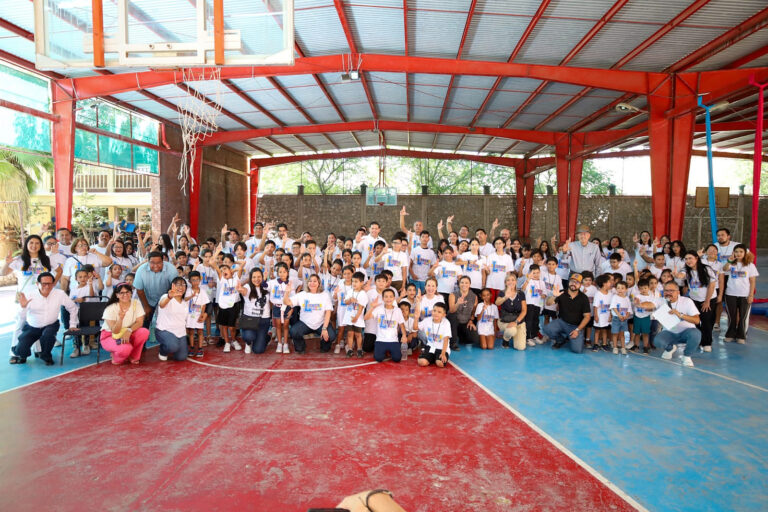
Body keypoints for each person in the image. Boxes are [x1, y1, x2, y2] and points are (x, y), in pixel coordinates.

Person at [11, 272, 79, 365]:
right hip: (32, 326)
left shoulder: (60, 294)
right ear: (37, 284)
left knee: (48, 335)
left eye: (50, 283)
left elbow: (72, 308)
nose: (47, 287)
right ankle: (23, 354)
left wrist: (72, 324)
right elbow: (20, 317)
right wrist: (23, 307)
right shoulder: (29, 295)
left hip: (51, 324)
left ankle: (46, 355)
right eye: (44, 284)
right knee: (21, 349)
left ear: (53, 283)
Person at [637, 282, 700, 367]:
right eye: (666, 290)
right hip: (670, 332)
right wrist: (640, 305)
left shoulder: (687, 301)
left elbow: (696, 320)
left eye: (671, 291)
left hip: (687, 332)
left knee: (696, 334)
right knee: (657, 341)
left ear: (678, 292)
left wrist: (680, 314)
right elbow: (650, 304)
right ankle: (670, 349)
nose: (668, 293)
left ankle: (687, 356)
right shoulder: (661, 300)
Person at [99, 282, 149, 365]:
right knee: (125, 349)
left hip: (128, 332)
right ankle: (117, 357)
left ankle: (133, 356)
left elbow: (140, 322)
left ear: (131, 293)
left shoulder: (136, 303)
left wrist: (129, 330)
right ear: (117, 295)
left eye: (127, 292)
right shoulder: (111, 308)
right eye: (121, 293)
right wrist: (120, 319)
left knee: (144, 332)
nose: (125, 295)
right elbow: (115, 331)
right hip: (111, 335)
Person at [285, 274, 336, 353]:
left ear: (319, 283)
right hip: (305, 323)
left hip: (321, 324)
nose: (312, 283)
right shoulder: (302, 294)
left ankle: (324, 346)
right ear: (307, 283)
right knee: (294, 331)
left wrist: (324, 328)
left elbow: (328, 312)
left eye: (315, 281)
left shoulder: (325, 295)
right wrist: (286, 293)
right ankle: (301, 347)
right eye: (310, 281)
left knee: (331, 336)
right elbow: (287, 302)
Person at [541, 273, 591, 354]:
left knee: (577, 350)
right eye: (572, 281)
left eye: (577, 282)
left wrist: (577, 330)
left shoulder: (584, 298)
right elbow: (548, 303)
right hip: (562, 322)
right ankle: (560, 340)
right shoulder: (562, 293)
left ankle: (571, 337)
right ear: (569, 282)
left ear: (580, 285)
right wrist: (554, 295)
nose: (573, 284)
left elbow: (587, 316)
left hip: (575, 326)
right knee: (547, 328)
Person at [720, 244, 758, 344]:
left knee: (743, 316)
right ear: (733, 253)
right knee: (731, 316)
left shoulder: (750, 265)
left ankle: (741, 335)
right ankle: (730, 334)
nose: (738, 254)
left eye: (741, 252)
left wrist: (751, 295)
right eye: (736, 252)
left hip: (744, 294)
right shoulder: (731, 264)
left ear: (745, 253)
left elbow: (752, 281)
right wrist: (729, 260)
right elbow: (724, 269)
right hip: (730, 293)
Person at [682, 251, 717, 351]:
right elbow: (681, 275)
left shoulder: (706, 269)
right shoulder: (687, 270)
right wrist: (677, 274)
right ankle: (697, 340)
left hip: (708, 299)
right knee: (695, 321)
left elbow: (712, 285)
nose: (688, 261)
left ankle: (707, 343)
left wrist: (707, 301)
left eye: (690, 258)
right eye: (686, 259)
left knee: (706, 321)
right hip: (694, 299)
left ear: (696, 258)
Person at [133, 251, 178, 328]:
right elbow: (139, 290)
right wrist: (146, 306)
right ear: (148, 261)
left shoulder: (171, 270)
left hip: (166, 300)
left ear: (163, 261)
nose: (156, 266)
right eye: (152, 263)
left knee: (165, 324)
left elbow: (174, 288)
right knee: (144, 322)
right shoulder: (141, 270)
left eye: (159, 263)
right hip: (148, 299)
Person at [364, 288, 408, 362]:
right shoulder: (379, 309)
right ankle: (384, 351)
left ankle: (390, 351)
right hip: (380, 340)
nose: (388, 299)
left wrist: (404, 335)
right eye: (386, 297)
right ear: (383, 298)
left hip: (393, 340)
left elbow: (401, 324)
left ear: (394, 298)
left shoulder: (398, 310)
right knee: (378, 358)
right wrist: (372, 307)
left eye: (391, 297)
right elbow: (366, 317)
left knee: (397, 359)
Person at [154, 277, 191, 361]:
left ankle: (172, 345)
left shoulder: (185, 303)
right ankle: (163, 350)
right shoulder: (166, 297)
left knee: (181, 357)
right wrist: (169, 297)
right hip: (164, 330)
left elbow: (184, 320)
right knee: (172, 346)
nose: (181, 287)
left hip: (180, 333)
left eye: (183, 285)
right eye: (178, 285)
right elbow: (162, 305)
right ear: (172, 286)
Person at [237, 268, 272, 354]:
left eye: (259, 277)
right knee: (249, 336)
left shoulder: (267, 286)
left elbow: (271, 302)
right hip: (249, 319)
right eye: (254, 277)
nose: (256, 279)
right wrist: (240, 289)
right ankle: (248, 343)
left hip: (264, 319)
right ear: (250, 278)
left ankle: (265, 337)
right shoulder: (247, 287)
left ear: (262, 277)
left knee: (258, 350)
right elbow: (244, 291)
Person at [413, 299, 451, 368]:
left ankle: (435, 358)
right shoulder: (427, 320)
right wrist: (416, 318)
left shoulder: (446, 323)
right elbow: (415, 327)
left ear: (444, 315)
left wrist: (443, 353)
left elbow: (446, 339)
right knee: (421, 362)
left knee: (440, 364)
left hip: (441, 349)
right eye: (434, 311)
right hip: (430, 347)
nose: (436, 313)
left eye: (439, 312)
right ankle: (432, 357)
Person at [495, 273, 527, 350]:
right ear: (505, 283)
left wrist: (516, 322)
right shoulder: (502, 292)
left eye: (513, 280)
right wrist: (506, 297)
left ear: (516, 282)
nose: (510, 282)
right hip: (505, 321)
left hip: (518, 321)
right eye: (508, 280)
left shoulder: (521, 293)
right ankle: (506, 339)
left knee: (520, 347)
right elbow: (497, 302)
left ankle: (514, 335)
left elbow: (524, 310)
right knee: (511, 330)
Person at [448, 276, 479, 349]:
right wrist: (458, 303)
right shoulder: (453, 295)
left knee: (474, 339)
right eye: (462, 282)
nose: (464, 284)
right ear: (459, 284)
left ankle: (461, 336)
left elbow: (474, 311)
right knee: (453, 316)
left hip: (465, 321)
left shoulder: (474, 296)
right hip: (454, 321)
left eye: (466, 283)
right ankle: (453, 343)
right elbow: (451, 310)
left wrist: (471, 320)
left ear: (470, 284)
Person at [185, 271, 210, 358]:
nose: (195, 282)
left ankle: (200, 348)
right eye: (193, 280)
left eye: (197, 280)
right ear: (189, 281)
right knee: (191, 331)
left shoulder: (202, 291)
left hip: (198, 314)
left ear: (200, 280)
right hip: (190, 314)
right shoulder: (188, 290)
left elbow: (204, 304)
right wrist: (191, 296)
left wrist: (202, 314)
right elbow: (185, 299)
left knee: (200, 331)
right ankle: (191, 347)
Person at [609, 281, 632, 355]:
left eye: (622, 288)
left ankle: (623, 348)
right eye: (618, 288)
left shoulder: (627, 298)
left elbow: (629, 309)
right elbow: (614, 307)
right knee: (615, 334)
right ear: (616, 289)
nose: (620, 290)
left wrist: (626, 316)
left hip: (624, 319)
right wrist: (619, 315)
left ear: (626, 289)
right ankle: (615, 347)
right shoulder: (615, 297)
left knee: (622, 334)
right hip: (616, 318)